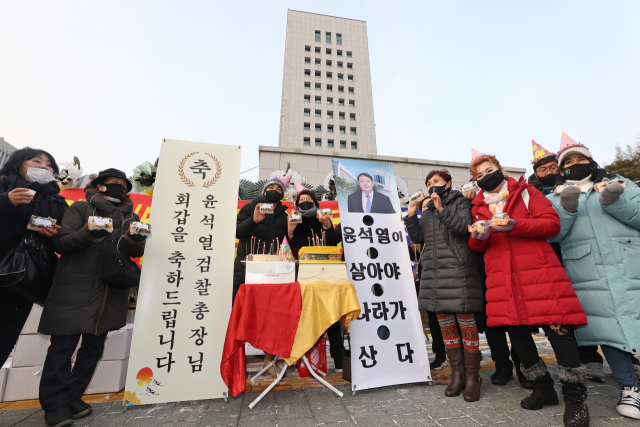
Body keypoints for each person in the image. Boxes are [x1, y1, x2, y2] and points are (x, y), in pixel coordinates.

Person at [468, 149, 589, 427]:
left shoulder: (526, 193)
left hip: (540, 274)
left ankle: (576, 401)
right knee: (519, 337)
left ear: (500, 169)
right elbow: (476, 246)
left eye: (490, 170)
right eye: (480, 175)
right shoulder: (477, 207)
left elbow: (551, 225)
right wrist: (479, 237)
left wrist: (514, 225)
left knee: (559, 333)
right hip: (502, 279)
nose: (487, 177)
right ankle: (543, 389)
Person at [38, 168, 147, 427]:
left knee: (93, 349)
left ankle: (73, 396)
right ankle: (54, 404)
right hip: (75, 287)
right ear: (100, 186)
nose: (120, 187)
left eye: (123, 184)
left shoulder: (131, 216)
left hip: (110, 291)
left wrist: (136, 238)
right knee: (62, 348)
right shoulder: (80, 209)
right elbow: (62, 243)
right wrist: (88, 234)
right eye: (114, 183)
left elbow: (133, 251)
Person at [547, 133, 640, 420]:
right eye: (568, 161)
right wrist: (567, 208)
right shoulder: (554, 196)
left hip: (630, 264)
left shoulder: (622, 184)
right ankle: (630, 388)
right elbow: (554, 234)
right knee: (608, 330)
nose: (575, 164)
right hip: (587, 271)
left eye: (580, 159)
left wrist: (615, 201)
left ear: (591, 160)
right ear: (561, 169)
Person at [528, 140, 606, 383]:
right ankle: (580, 358)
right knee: (566, 309)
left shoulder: (586, 184)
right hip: (551, 258)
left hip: (586, 253)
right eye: (543, 170)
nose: (549, 172)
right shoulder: (531, 195)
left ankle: (611, 356)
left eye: (553, 167)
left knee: (596, 303)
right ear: (536, 174)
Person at [405, 169, 483, 401]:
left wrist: (441, 208)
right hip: (434, 272)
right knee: (447, 327)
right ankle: (457, 375)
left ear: (448, 184)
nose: (432, 186)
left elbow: (462, 228)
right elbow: (419, 239)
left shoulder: (459, 202)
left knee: (466, 326)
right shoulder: (426, 209)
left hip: (458, 270)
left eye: (436, 181)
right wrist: (411, 216)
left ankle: (472, 378)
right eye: (428, 183)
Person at [0, 148, 67, 367]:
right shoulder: (4, 184)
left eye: (49, 165)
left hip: (22, 281)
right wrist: (6, 201)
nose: (44, 167)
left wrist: (54, 236)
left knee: (4, 340)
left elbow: (66, 239)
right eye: (37, 161)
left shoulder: (56, 201)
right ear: (18, 164)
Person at [233, 177, 289, 300]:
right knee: (242, 304)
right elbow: (236, 232)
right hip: (246, 268)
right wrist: (253, 221)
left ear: (282, 196)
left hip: (273, 270)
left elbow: (288, 247)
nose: (274, 191)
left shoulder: (285, 217)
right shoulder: (249, 208)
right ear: (264, 191)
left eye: (278, 189)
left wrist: (290, 233)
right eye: (271, 188)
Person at [287, 185, 338, 258]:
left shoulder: (322, 216)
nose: (305, 201)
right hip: (301, 259)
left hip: (322, 259)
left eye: (308, 199)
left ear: (314, 202)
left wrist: (327, 224)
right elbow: (289, 246)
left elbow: (333, 240)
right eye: (302, 199)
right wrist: (290, 233)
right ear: (298, 204)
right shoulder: (294, 219)